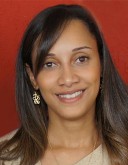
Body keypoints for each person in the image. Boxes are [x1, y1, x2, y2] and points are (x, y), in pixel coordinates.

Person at [0, 4, 128, 165]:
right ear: (32, 77)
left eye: (81, 59)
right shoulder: (5, 158)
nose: (68, 79)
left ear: (101, 65)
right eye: (50, 64)